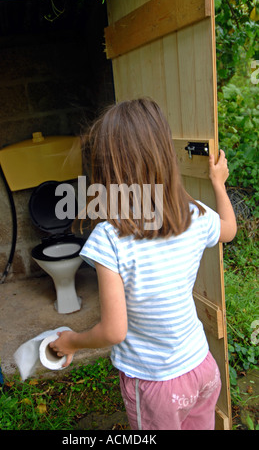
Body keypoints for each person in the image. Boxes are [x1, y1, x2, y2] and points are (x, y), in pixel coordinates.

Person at [49, 98, 237, 430]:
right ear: (165, 156)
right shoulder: (193, 214)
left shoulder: (109, 238)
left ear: (108, 170)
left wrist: (71, 341)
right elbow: (229, 230)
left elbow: (113, 330)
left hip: (157, 384)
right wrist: (218, 184)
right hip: (202, 367)